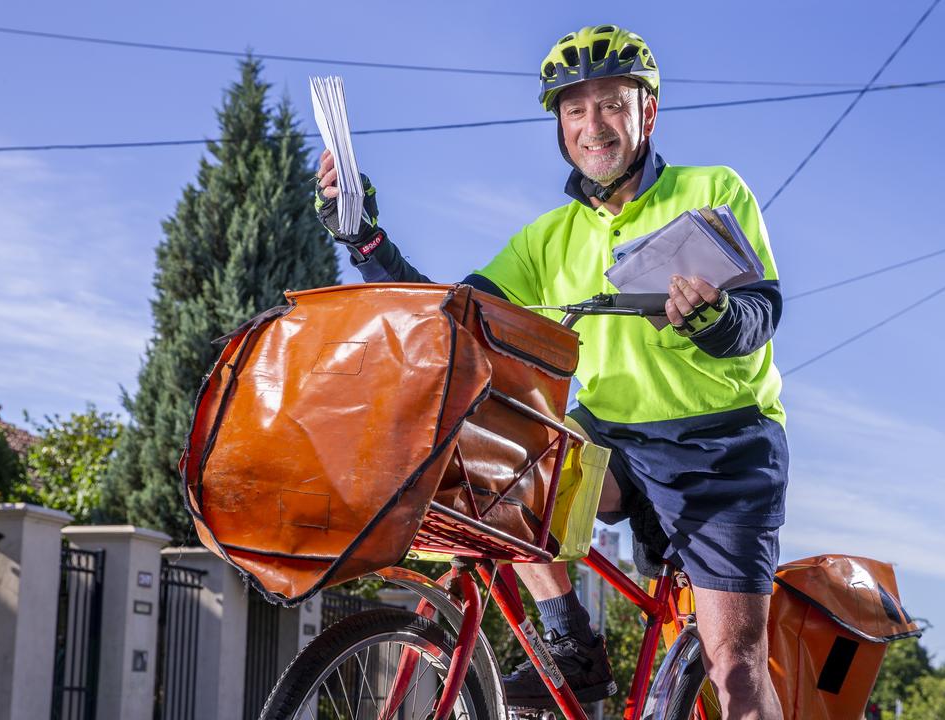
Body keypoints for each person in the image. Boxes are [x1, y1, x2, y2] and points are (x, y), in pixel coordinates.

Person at [315, 25, 787, 719]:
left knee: (735, 672)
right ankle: (570, 637)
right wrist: (365, 240)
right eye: (575, 109)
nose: (593, 125)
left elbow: (761, 312)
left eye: (611, 105)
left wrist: (714, 317)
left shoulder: (711, 189)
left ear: (645, 113)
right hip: (612, 442)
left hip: (722, 451)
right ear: (561, 125)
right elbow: (456, 316)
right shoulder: (547, 239)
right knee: (494, 463)